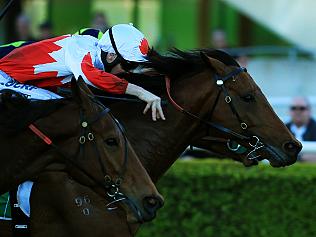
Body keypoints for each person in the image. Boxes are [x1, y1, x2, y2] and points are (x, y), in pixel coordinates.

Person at [0, 23, 165, 121]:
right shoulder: (80, 48)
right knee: (59, 110)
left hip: (20, 83)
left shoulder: (97, 54)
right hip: (5, 79)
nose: (127, 72)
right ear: (111, 56)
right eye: (128, 65)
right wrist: (141, 92)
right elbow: (91, 77)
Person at [286, 97, 316, 162]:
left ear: (310, 111)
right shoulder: (282, 130)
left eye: (302, 108)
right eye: (294, 108)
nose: (298, 111)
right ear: (289, 111)